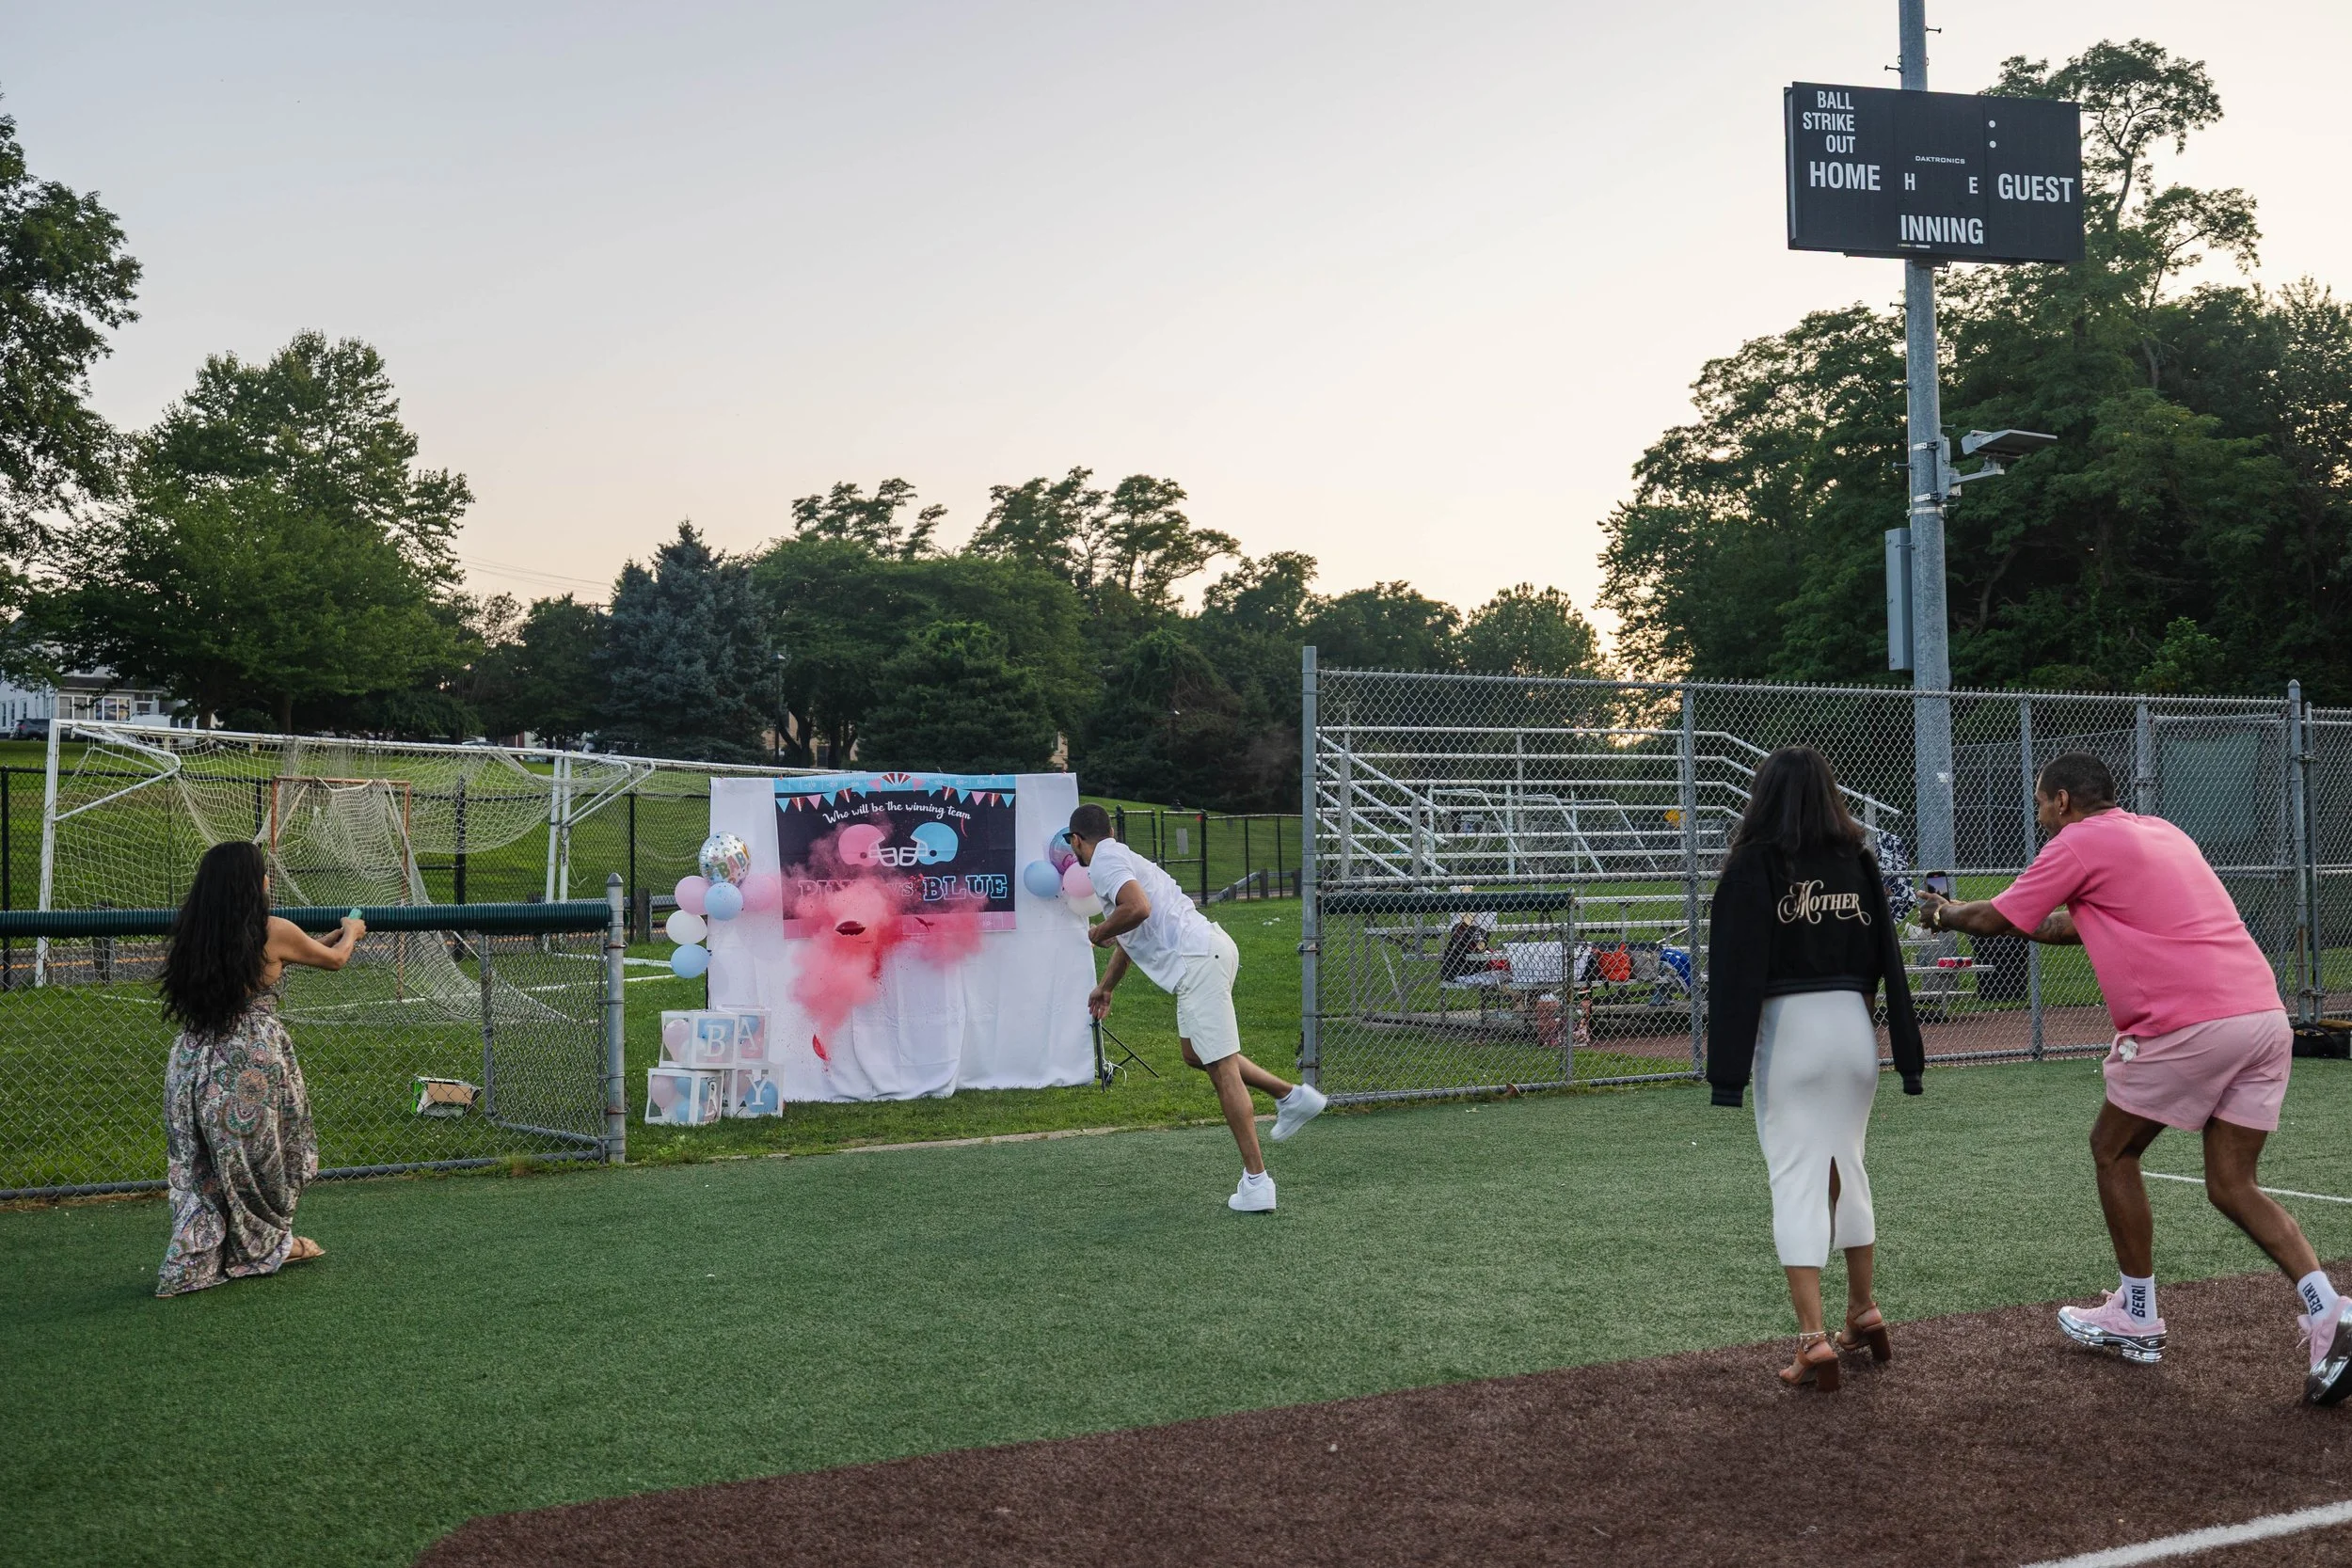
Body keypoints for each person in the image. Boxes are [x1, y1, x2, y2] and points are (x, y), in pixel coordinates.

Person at [1919, 752, 2352, 1404]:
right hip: (2263, 1015)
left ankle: (2138, 1314)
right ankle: (2331, 1310)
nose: (2041, 817)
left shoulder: (2079, 840)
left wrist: (1944, 913)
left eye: (2041, 804)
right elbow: (2073, 922)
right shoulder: (2162, 830)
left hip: (2191, 1021)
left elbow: (1999, 917)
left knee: (2112, 1147)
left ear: (2063, 800)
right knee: (2234, 1183)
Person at [1708, 746, 1925, 1391]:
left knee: (1797, 1178)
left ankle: (1813, 1341)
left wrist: (1726, 1068)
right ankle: (1864, 1308)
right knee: (1847, 1167)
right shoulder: (1856, 857)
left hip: (1792, 1029)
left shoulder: (1754, 861)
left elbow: (1735, 964)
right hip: (1853, 1028)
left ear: (1763, 794)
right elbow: (1883, 950)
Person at [1068, 803, 1326, 1211]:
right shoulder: (1120, 858)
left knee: (1222, 1068)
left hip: (1198, 960)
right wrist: (1107, 987)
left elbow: (1137, 909)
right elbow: (1134, 934)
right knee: (1196, 1054)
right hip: (1206, 953)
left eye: (1073, 846)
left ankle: (1257, 1182)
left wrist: (1098, 930)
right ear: (1112, 828)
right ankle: (1290, 1096)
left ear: (1077, 840)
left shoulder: (1103, 861)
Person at [155, 841, 365, 1297]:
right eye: (264, 874)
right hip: (247, 1060)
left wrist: (315, 941)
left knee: (205, 1163)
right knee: (263, 1160)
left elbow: (277, 957)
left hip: (193, 1060)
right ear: (251, 884)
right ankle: (266, 1245)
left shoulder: (195, 932)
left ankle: (206, 1247)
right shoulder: (273, 929)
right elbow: (336, 960)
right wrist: (351, 930)